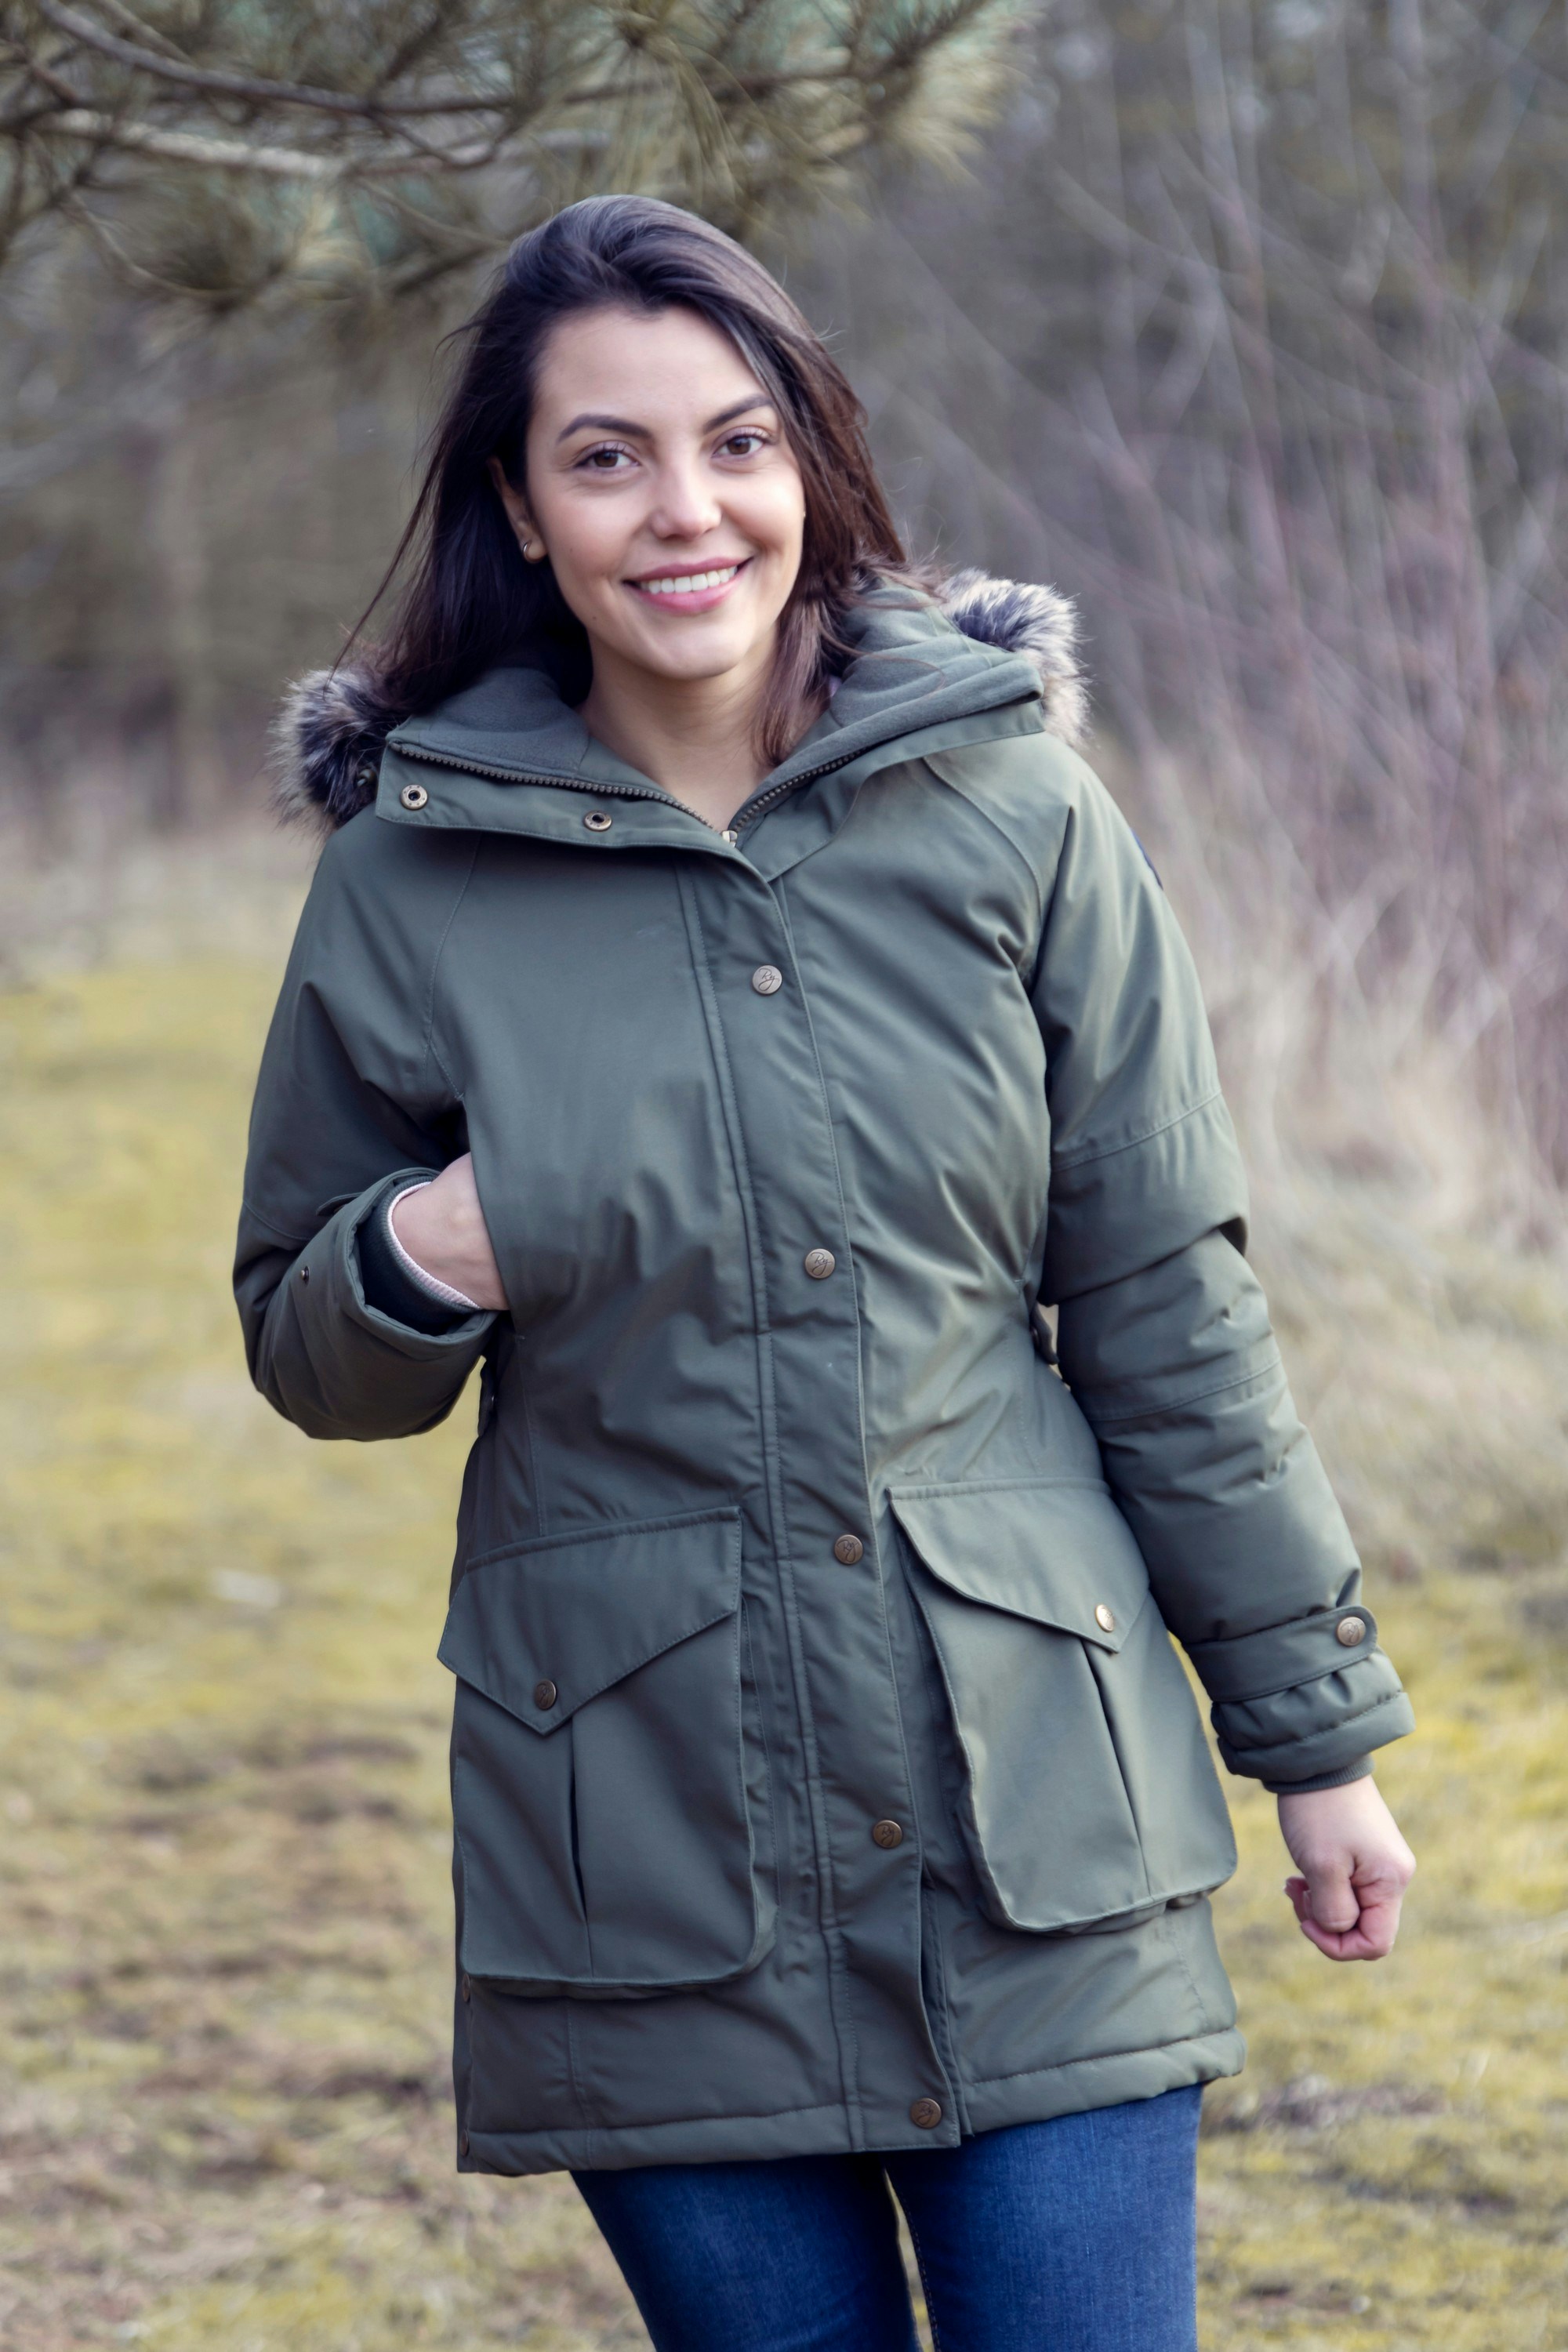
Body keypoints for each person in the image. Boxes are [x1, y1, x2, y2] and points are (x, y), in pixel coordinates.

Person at [238, 195, 1417, 2352]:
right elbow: (310, 1350)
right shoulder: (413, 869)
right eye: (608, 456)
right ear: (522, 498)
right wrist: (428, 1247)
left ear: (814, 464)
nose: (685, 510)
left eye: (740, 441)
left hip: (1042, 1823)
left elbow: (1166, 1298)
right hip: (645, 1859)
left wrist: (1314, 1735)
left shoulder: (1017, 806)